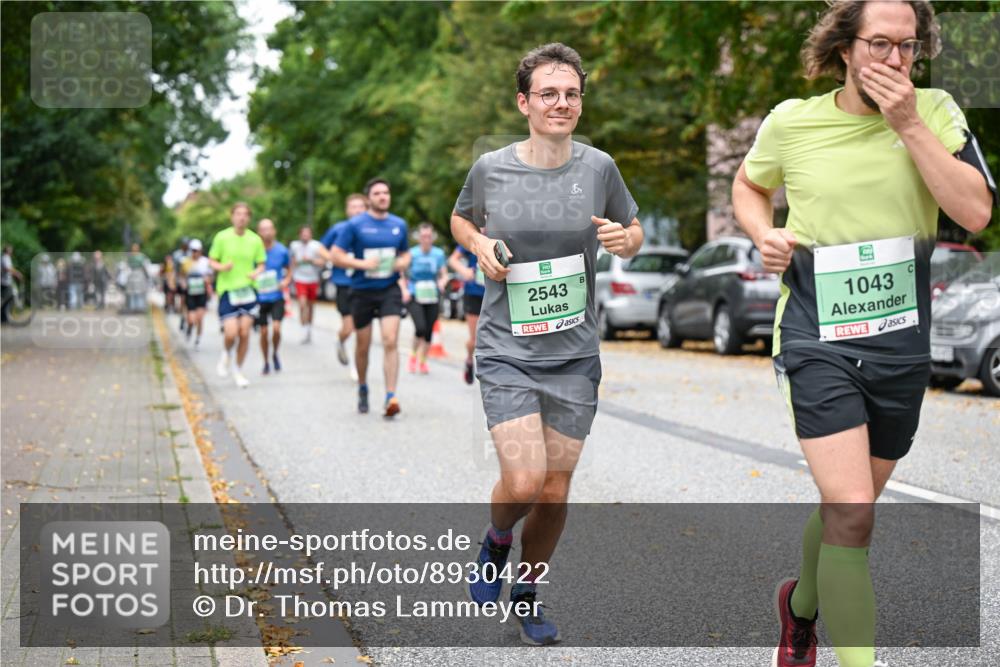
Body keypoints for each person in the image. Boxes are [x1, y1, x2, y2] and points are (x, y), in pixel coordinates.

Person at [730, 2, 995, 666]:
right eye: (881, 44)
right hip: (816, 333)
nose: (897, 60)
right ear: (844, 48)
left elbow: (976, 211)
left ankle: (798, 607)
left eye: (910, 47)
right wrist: (764, 232)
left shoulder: (935, 112)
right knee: (853, 507)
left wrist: (908, 124)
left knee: (851, 506)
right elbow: (748, 185)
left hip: (902, 343)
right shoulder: (793, 121)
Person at [450, 43, 643, 645]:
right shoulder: (492, 168)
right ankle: (498, 538)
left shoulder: (598, 168)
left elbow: (632, 229)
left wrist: (624, 239)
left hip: (575, 352)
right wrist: (477, 245)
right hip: (508, 348)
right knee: (526, 480)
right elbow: (461, 219)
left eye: (571, 94)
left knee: (556, 490)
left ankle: (528, 591)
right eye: (548, 94)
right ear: (523, 102)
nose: (561, 103)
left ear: (580, 102)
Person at [330, 178, 411, 416]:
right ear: (369, 199)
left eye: (386, 192)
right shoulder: (354, 225)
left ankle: (390, 396)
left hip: (388, 289)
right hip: (362, 290)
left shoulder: (399, 224)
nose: (383, 196)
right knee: (363, 345)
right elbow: (336, 255)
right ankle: (363, 386)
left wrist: (400, 263)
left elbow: (406, 255)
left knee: (390, 340)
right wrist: (362, 263)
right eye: (377, 193)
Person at [208, 202, 266, 389]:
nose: (241, 217)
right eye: (238, 214)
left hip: (249, 290)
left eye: (245, 214)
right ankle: (226, 353)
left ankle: (238, 370)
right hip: (228, 290)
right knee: (231, 332)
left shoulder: (255, 239)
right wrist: (222, 267)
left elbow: (261, 263)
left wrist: (256, 273)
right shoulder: (222, 237)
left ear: (249, 218)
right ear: (232, 217)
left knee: (245, 332)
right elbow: (212, 261)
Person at [321, 193, 369, 377]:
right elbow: (321, 248)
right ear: (347, 210)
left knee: (362, 329)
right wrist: (334, 260)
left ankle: (356, 366)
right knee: (349, 327)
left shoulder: (370, 228)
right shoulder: (339, 228)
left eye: (361, 207)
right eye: (353, 207)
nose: (357, 210)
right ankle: (340, 340)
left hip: (364, 284)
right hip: (343, 283)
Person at [404, 223, 448, 374]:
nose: (426, 239)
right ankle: (413, 356)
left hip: (432, 294)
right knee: (420, 327)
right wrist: (405, 289)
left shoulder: (438, 254)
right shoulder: (412, 253)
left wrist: (442, 282)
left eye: (429, 236)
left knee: (429, 331)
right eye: (423, 236)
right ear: (419, 238)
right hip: (415, 293)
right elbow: (402, 273)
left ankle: (423, 361)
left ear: (432, 238)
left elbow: (444, 273)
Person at [255, 218, 291, 373]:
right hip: (260, 298)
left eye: (269, 228)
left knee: (276, 329)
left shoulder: (282, 250)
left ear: (274, 230)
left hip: (276, 296)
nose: (266, 232)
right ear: (258, 232)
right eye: (263, 229)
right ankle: (265, 361)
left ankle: (275, 352)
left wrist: (286, 281)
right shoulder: (254, 250)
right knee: (263, 331)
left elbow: (289, 270)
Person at [448, 242, 486, 384]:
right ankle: (470, 360)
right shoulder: (472, 236)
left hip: (494, 293)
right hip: (474, 293)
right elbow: (452, 259)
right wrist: (464, 271)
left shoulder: (499, 232)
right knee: (475, 339)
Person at [289, 225, 327, 344]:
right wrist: (290, 276)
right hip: (300, 279)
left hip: (313, 279)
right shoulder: (294, 246)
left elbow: (323, 262)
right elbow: (292, 262)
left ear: (311, 235)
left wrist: (311, 260)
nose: (305, 235)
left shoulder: (317, 246)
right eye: (303, 233)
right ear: (299, 234)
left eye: (307, 233)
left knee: (310, 306)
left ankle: (309, 328)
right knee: (302, 304)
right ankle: (303, 328)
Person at [180, 239, 213, 347]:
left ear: (200, 251)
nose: (195, 253)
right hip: (190, 293)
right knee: (191, 319)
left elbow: (211, 277)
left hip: (201, 293)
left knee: (200, 318)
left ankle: (198, 338)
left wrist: (207, 281)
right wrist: (183, 283)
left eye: (197, 250)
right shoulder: (186, 262)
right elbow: (181, 276)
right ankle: (189, 327)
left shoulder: (205, 262)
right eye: (193, 250)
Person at [0, 245, 24, 323]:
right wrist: (17, 273)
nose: (11, 251)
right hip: (5, 282)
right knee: (8, 299)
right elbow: (7, 268)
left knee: (7, 299)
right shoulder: (5, 257)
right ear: (7, 250)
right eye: (10, 250)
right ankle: (4, 317)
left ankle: (4, 317)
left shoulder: (6, 257)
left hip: (7, 281)